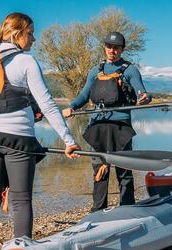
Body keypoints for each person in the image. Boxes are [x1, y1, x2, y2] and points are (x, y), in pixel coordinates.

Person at [0, 12, 80, 250]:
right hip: (19, 142)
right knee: (21, 200)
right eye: (30, 33)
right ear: (16, 34)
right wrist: (68, 140)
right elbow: (47, 104)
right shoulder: (27, 62)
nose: (34, 39)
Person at [62, 31, 151, 212]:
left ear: (122, 49)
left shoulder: (131, 70)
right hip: (98, 127)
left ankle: (127, 209)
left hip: (121, 127)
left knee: (124, 172)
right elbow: (84, 95)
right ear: (105, 48)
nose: (112, 51)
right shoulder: (95, 71)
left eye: (116, 47)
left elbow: (142, 92)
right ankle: (98, 211)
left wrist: (145, 98)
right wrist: (72, 107)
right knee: (100, 171)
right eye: (109, 47)